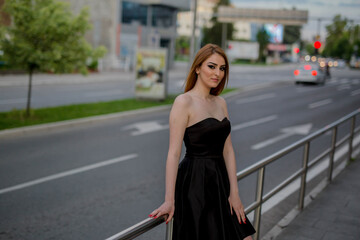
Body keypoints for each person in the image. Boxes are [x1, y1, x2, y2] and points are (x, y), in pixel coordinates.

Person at [149, 44, 256, 240]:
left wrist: (235, 192)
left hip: (220, 182)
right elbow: (173, 153)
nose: (218, 73)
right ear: (197, 68)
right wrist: (169, 200)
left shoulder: (221, 102)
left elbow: (228, 150)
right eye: (212, 66)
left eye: (222, 68)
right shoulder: (184, 102)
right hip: (194, 183)